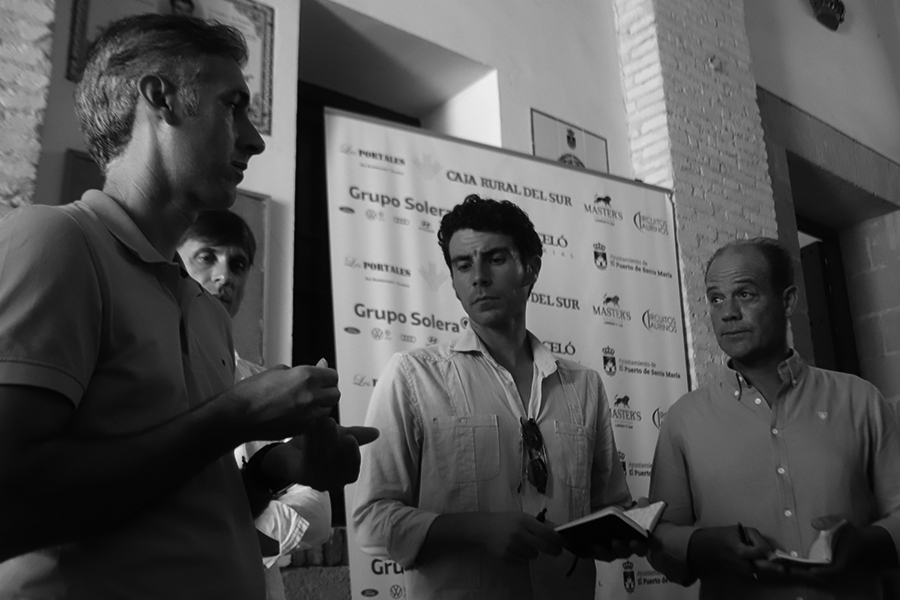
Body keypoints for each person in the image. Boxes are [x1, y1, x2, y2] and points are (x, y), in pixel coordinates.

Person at [0, 14, 375, 599]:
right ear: (161, 98)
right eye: (234, 106)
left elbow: (184, 506)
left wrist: (274, 470)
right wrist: (236, 415)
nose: (254, 139)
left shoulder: (205, 312)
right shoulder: (58, 241)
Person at [353, 194, 640, 600]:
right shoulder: (414, 378)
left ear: (531, 269)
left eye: (496, 259)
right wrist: (476, 529)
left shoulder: (584, 385)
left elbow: (610, 506)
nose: (478, 277)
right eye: (463, 265)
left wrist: (622, 531)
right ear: (453, 281)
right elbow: (372, 519)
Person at [648, 237, 900, 599]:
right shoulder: (682, 420)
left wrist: (866, 542)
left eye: (745, 294)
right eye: (716, 298)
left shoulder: (860, 400)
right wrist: (706, 546)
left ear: (788, 301)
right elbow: (660, 537)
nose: (728, 312)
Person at [177, 211, 332, 600]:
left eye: (238, 265)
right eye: (206, 257)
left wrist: (218, 525)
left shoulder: (267, 385)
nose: (224, 276)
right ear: (172, 260)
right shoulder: (140, 371)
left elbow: (318, 514)